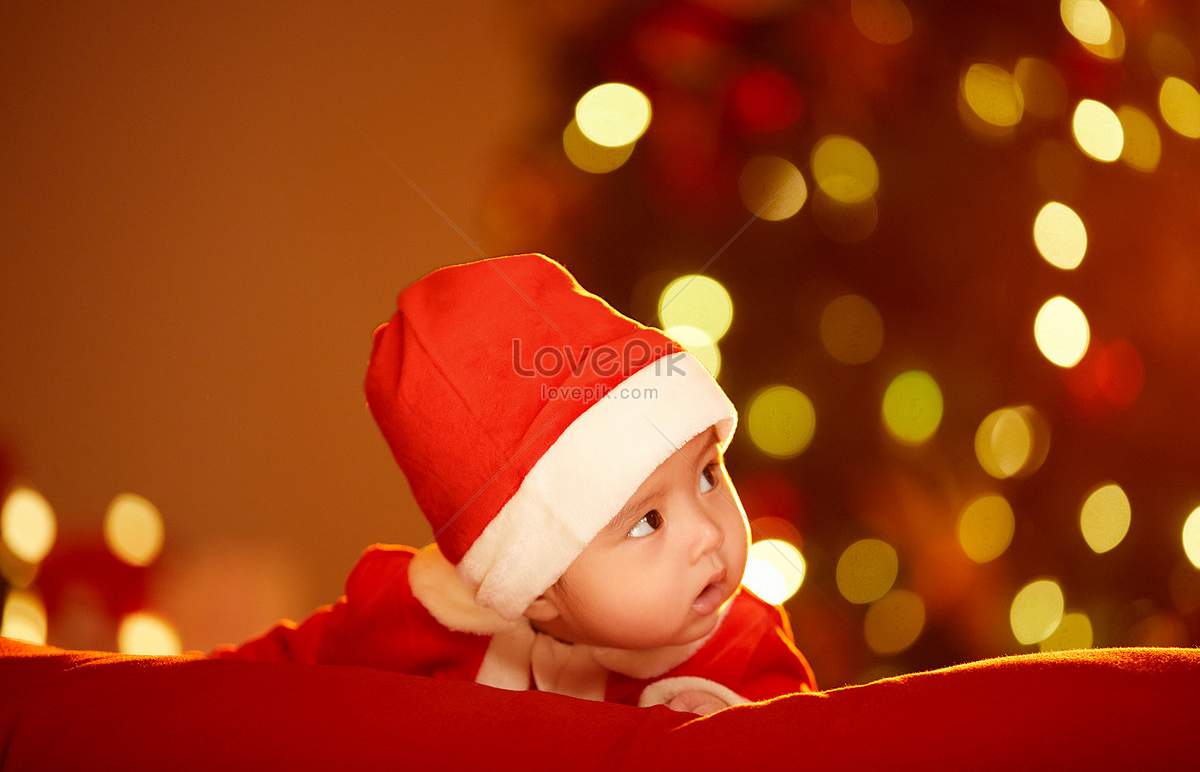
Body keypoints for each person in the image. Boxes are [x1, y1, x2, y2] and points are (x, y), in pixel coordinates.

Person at [213, 253, 815, 714]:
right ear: (535, 586)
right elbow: (240, 687)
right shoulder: (410, 616)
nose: (709, 536)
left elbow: (809, 745)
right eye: (647, 521)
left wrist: (735, 730)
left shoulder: (742, 644)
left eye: (709, 474)